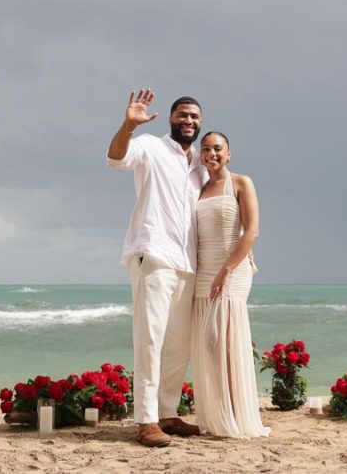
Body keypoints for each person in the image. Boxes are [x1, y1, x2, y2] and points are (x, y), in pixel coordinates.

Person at [106, 88, 205, 447]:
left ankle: (167, 413)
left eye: (194, 116)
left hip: (188, 264)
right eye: (183, 115)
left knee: (179, 345)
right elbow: (116, 158)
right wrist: (128, 125)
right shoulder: (150, 145)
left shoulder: (200, 166)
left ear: (200, 122)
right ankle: (146, 420)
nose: (188, 120)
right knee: (150, 341)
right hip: (153, 254)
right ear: (171, 119)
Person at [190, 131, 270, 438]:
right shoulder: (197, 187)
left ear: (229, 153)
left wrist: (225, 271)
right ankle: (216, 416)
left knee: (224, 342)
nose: (211, 153)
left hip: (231, 271)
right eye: (206, 148)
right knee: (208, 346)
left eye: (217, 148)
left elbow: (251, 233)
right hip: (202, 271)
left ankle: (237, 416)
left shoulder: (240, 182)